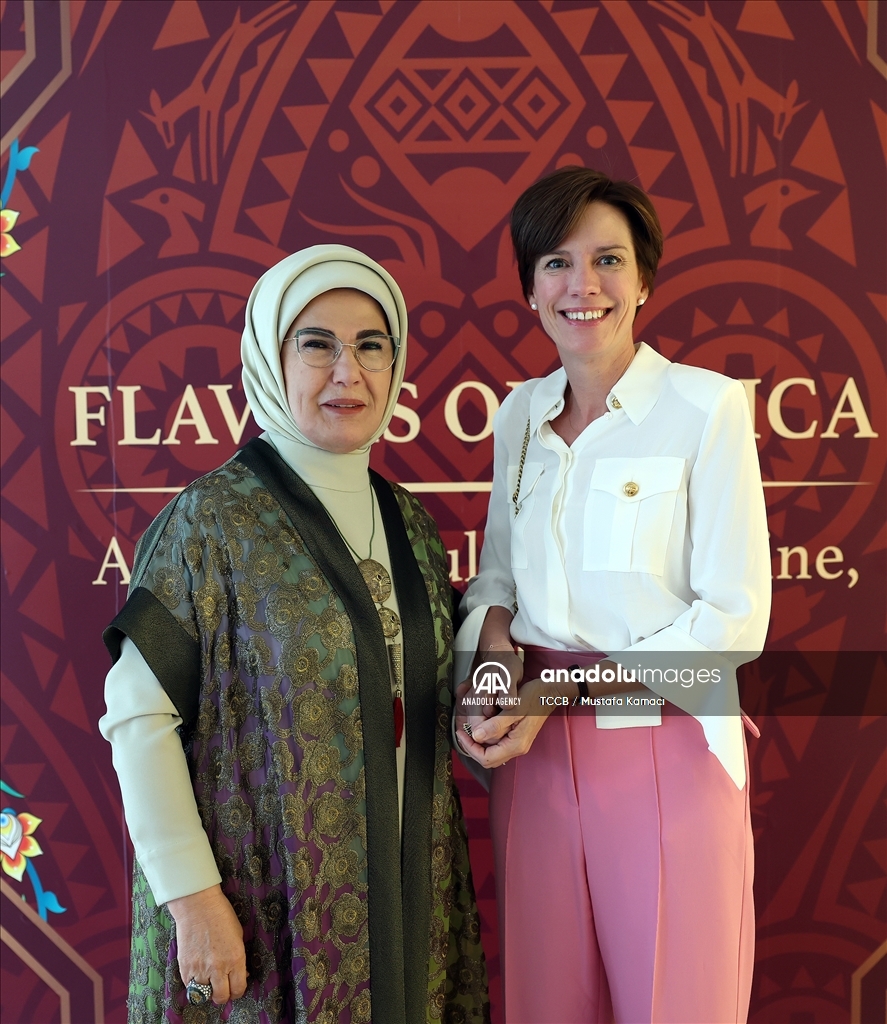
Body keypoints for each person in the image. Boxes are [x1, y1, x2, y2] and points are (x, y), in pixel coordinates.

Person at [100, 245, 489, 1024]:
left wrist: (635, 685)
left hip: (408, 905)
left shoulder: (410, 524)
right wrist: (192, 899)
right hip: (256, 911)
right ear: (269, 359)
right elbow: (139, 719)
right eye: (317, 344)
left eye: (371, 345)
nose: (348, 372)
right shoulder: (208, 521)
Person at [456, 167, 770, 1024]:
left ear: (643, 280)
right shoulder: (519, 415)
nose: (581, 285)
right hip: (533, 762)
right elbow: (497, 577)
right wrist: (491, 669)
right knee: (545, 1005)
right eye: (556, 263)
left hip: (664, 742)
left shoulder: (704, 407)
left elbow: (734, 618)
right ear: (529, 288)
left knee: (677, 1004)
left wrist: (556, 693)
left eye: (607, 260)